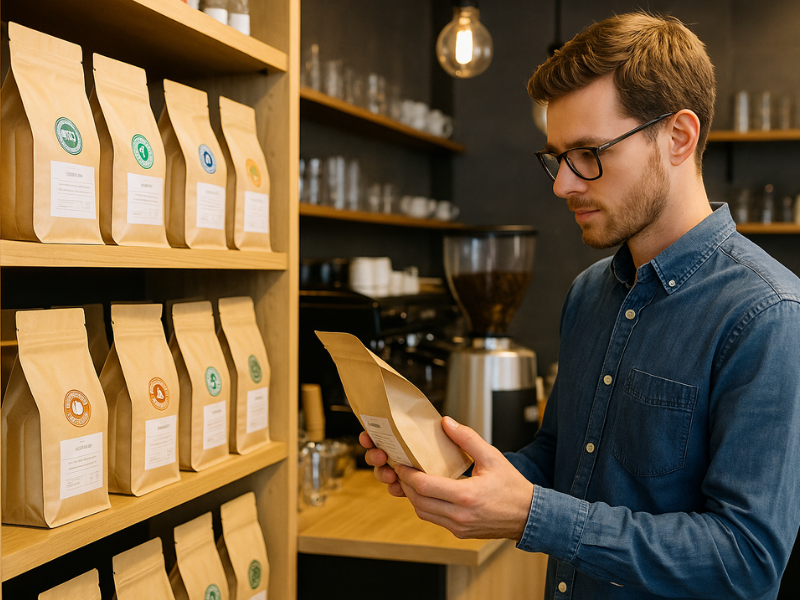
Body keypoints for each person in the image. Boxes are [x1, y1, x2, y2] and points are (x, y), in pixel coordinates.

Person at [359, 11, 800, 600]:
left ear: (678, 137)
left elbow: (747, 561)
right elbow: (564, 457)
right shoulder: (590, 292)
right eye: (556, 157)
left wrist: (533, 516)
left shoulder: (768, 315)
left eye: (589, 153)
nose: (562, 185)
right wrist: (460, 476)